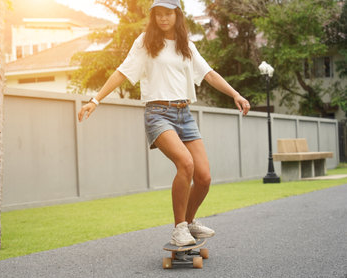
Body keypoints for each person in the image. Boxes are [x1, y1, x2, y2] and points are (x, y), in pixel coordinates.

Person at [78, 0, 250, 247]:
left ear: (177, 15)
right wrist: (95, 100)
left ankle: (189, 223)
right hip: (158, 113)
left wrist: (235, 94)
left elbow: (209, 73)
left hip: (184, 114)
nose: (162, 18)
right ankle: (179, 228)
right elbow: (123, 72)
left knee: (204, 177)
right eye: (158, 14)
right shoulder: (145, 42)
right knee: (185, 163)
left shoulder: (186, 46)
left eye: (167, 13)